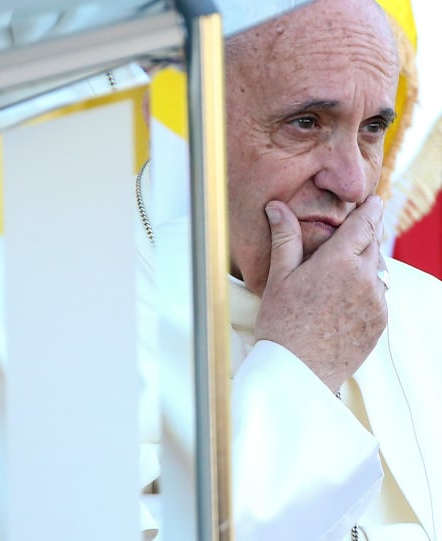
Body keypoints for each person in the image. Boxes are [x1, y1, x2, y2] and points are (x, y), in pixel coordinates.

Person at [153, 0, 442, 538]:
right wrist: (302, 366)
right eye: (306, 123)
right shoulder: (65, 327)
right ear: (200, 115)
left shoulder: (431, 313)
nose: (355, 183)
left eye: (372, 128)